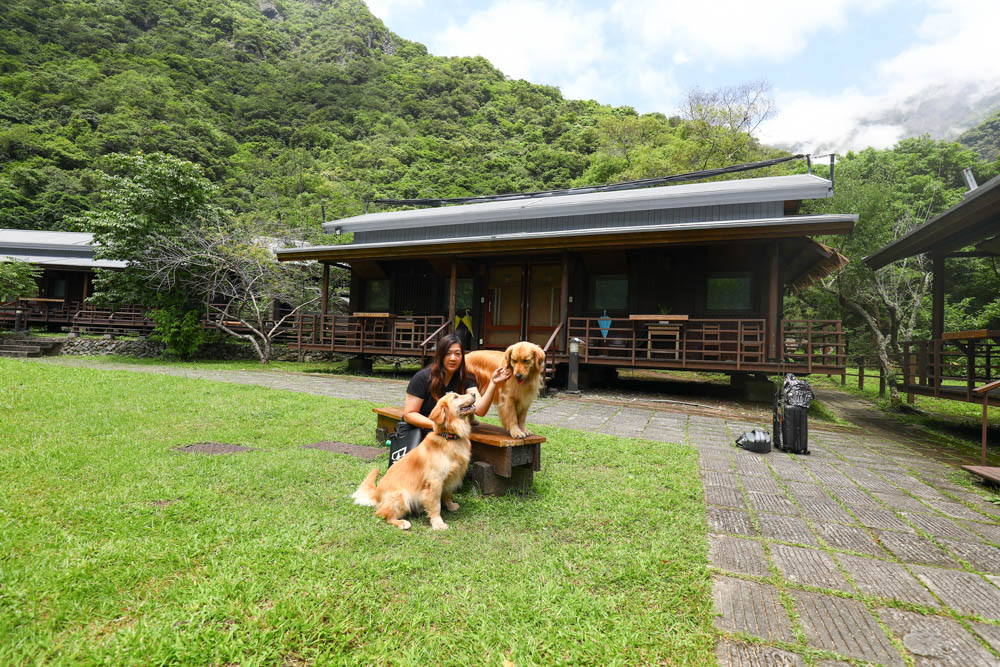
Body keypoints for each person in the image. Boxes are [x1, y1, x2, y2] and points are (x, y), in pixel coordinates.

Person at [397, 333, 510, 442]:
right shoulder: (423, 377)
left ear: (462, 357)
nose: (453, 358)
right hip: (417, 432)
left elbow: (480, 410)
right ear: (440, 356)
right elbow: (409, 414)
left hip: (445, 434)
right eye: (448, 353)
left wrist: (493, 383)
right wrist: (437, 425)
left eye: (457, 354)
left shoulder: (466, 379)